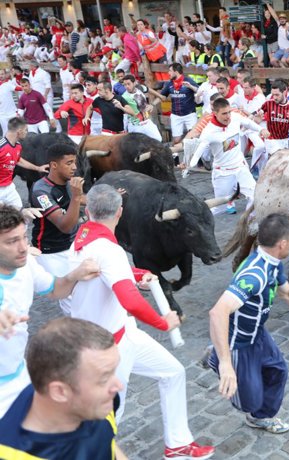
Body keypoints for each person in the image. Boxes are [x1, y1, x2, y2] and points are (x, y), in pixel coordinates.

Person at [67, 184, 215, 459]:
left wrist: (134, 273)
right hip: (108, 347)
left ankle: (178, 444)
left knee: (172, 372)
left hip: (122, 332)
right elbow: (131, 301)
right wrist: (164, 322)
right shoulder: (109, 250)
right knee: (111, 415)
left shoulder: (84, 235)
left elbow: (106, 271)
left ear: (88, 211)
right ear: (120, 213)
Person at [208, 213, 289, 434]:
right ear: (282, 244)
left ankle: (259, 418)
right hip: (239, 343)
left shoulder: (272, 262)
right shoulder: (254, 275)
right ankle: (217, 356)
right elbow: (218, 312)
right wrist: (226, 364)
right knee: (247, 402)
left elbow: (287, 293)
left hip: (258, 334)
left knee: (278, 371)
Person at [0, 205, 100, 419]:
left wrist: (75, 275)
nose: (23, 247)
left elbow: (55, 289)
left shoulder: (26, 266)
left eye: (23, 238)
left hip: (19, 373)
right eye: (11, 242)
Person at [0, 317, 126, 459]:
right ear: (59, 392)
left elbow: (106, 438)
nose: (118, 386)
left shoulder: (101, 402)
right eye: (104, 379)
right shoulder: (11, 454)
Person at [187, 97, 268, 214]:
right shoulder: (208, 132)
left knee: (255, 197)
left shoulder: (234, 117)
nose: (228, 116)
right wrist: (189, 165)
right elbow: (198, 151)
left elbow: (248, 122)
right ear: (215, 113)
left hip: (240, 168)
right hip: (222, 173)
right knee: (221, 208)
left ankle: (249, 225)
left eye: (229, 112)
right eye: (224, 113)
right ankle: (193, 214)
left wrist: (261, 130)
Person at [30, 144, 84, 311]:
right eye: (69, 163)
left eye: (74, 162)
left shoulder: (67, 182)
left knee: (85, 290)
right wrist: (75, 197)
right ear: (54, 165)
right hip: (51, 251)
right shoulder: (41, 191)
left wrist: (108, 197)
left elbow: (84, 199)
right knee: (71, 299)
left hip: (72, 245)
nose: (74, 167)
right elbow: (65, 226)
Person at [254, 79, 289, 172]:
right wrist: (257, 120)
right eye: (273, 94)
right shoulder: (268, 104)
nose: (274, 97)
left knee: (282, 169)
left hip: (284, 141)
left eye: (277, 95)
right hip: (271, 141)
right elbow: (255, 117)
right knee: (272, 166)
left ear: (285, 92)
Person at [0, 118, 48, 209]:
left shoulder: (17, 146)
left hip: (9, 187)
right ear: (19, 131)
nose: (27, 132)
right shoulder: (1, 146)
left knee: (19, 211)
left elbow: (18, 160)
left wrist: (38, 168)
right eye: (26, 130)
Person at [151, 63, 198, 145]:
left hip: (189, 114)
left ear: (176, 72)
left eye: (170, 71)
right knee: (176, 140)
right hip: (176, 115)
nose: (168, 73)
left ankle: (194, 156)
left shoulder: (188, 80)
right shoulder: (170, 84)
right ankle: (175, 156)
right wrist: (152, 104)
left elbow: (199, 90)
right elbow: (162, 96)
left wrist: (191, 87)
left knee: (193, 138)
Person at [121, 75, 161, 141]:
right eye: (125, 85)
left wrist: (159, 97)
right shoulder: (124, 97)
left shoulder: (140, 88)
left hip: (147, 121)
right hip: (135, 125)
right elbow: (124, 114)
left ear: (134, 83)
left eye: (128, 84)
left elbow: (148, 89)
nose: (127, 86)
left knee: (158, 139)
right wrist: (125, 129)